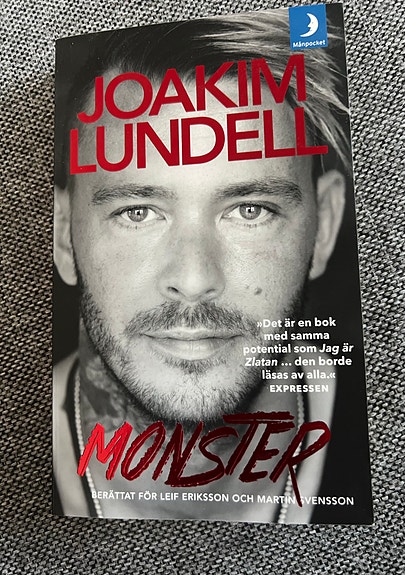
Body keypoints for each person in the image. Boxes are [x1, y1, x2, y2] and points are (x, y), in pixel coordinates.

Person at [53, 9, 372, 523]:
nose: (194, 279)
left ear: (325, 225)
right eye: (138, 212)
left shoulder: (403, 440)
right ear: (64, 236)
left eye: (251, 210)